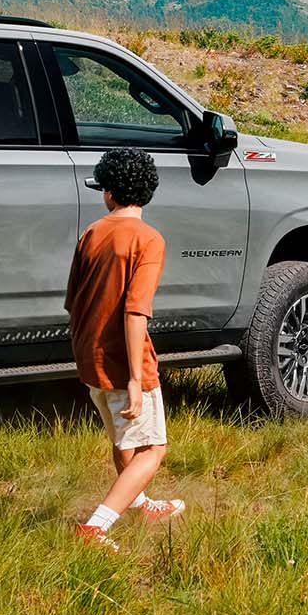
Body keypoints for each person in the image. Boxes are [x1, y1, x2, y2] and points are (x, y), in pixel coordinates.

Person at [66, 147, 185, 551]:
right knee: (154, 448)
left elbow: (74, 301)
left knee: (126, 440)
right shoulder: (149, 240)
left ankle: (141, 503)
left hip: (90, 356)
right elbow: (136, 311)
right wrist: (136, 378)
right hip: (124, 361)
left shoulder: (92, 233)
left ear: (109, 193)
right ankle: (97, 526)